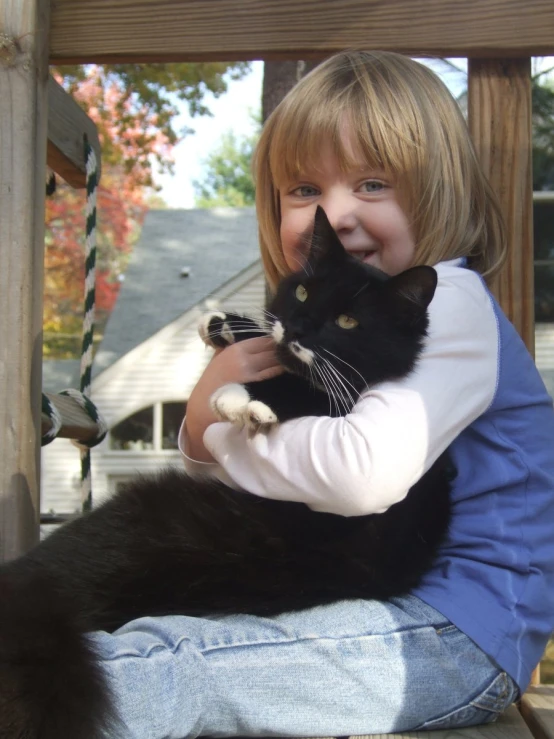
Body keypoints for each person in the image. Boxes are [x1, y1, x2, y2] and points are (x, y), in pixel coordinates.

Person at [91, 51, 554, 738]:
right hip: (384, 607)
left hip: (454, 635)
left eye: (372, 183)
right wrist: (201, 425)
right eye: (304, 189)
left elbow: (357, 473)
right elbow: (274, 472)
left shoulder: (446, 301)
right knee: (167, 634)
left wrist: (214, 432)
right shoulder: (335, 322)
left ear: (437, 189)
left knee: (165, 667)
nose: (334, 214)